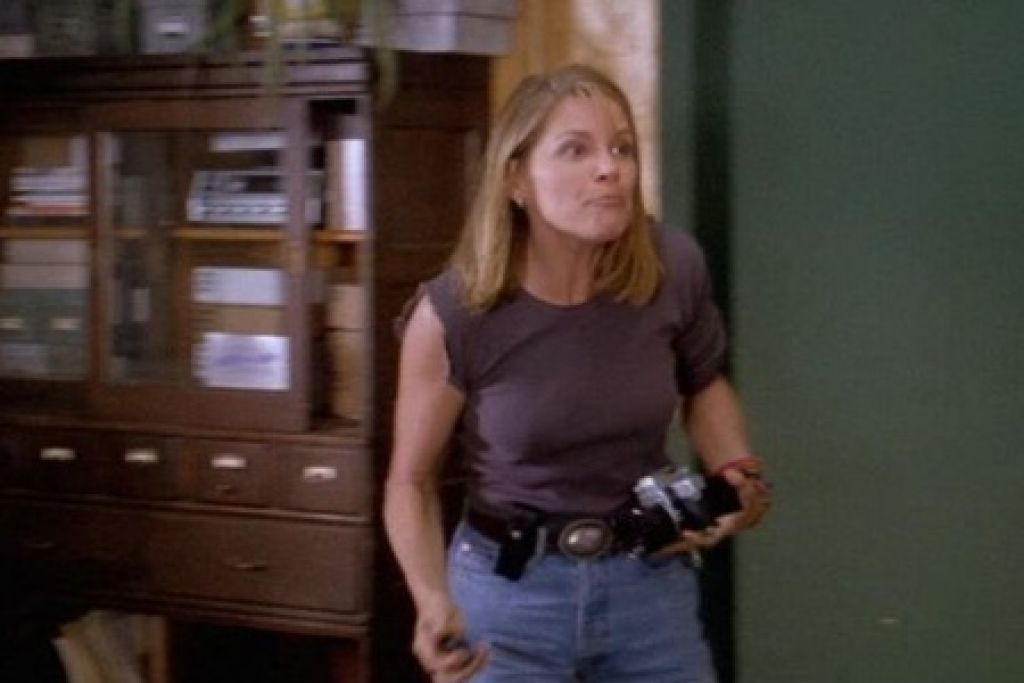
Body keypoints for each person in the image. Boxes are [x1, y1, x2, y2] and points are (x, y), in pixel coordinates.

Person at [383, 63, 772, 683]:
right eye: (576, 150)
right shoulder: (455, 312)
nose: (609, 168)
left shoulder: (672, 267)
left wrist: (736, 472)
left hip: (649, 589)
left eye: (622, 148)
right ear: (515, 178)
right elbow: (410, 482)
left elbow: (703, 383)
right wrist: (430, 600)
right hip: (508, 600)